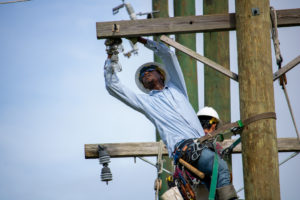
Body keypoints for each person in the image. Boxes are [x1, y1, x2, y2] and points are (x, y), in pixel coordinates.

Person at [104, 37, 237, 199]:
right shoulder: (147, 102)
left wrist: (141, 40)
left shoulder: (177, 87)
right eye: (142, 77)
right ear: (144, 86)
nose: (145, 75)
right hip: (186, 149)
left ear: (161, 75)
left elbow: (169, 55)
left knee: (214, 191)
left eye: (149, 71)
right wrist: (111, 57)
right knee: (220, 167)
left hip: (203, 146)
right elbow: (113, 87)